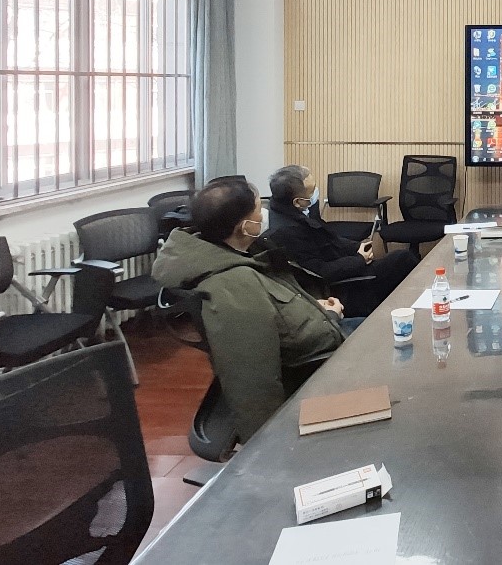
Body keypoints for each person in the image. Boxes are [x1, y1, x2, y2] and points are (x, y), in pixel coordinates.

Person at [152, 178, 348, 441]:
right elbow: (252, 379)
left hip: (320, 330)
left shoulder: (233, 252)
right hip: (317, 365)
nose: (265, 214)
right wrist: (266, 447)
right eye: (259, 209)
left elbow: (276, 302)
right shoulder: (232, 285)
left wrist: (315, 306)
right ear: (245, 226)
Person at [265, 164, 419, 318]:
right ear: (297, 202)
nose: (316, 193)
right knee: (403, 261)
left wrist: (357, 247)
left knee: (401, 259)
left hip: (346, 263)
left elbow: (330, 239)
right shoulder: (286, 232)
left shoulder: (297, 210)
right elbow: (319, 272)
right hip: (342, 286)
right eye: (312, 191)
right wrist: (359, 260)